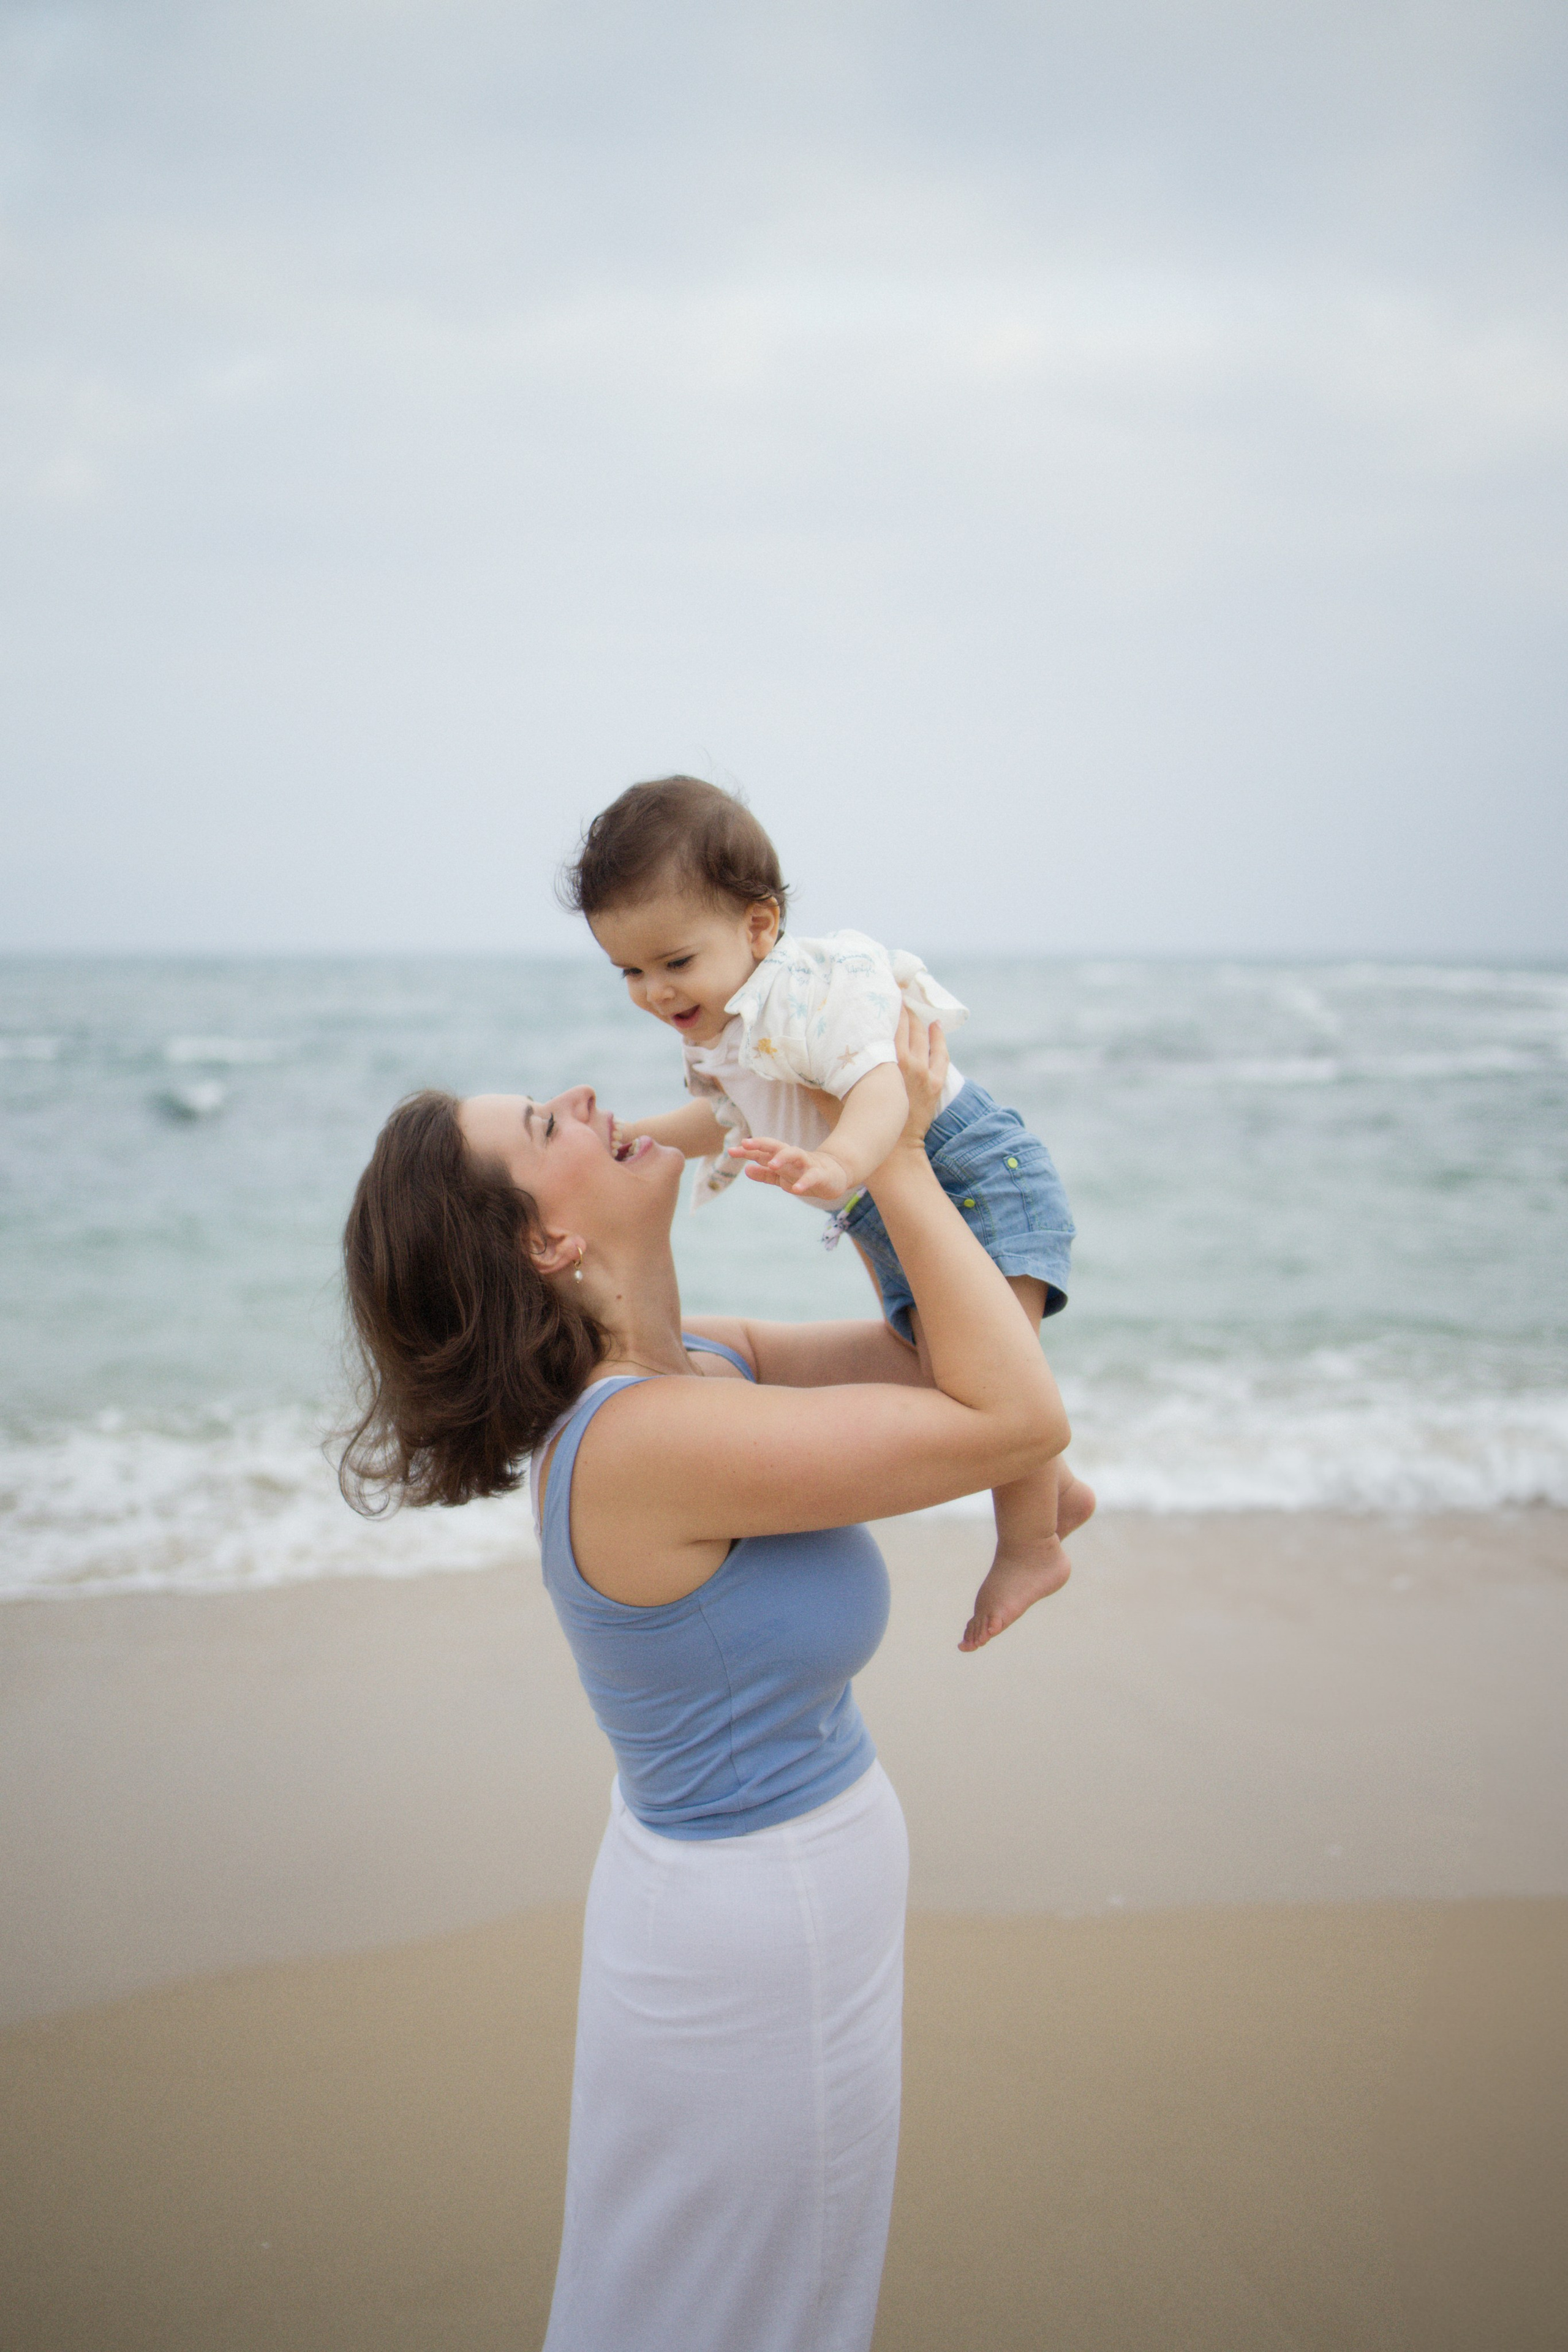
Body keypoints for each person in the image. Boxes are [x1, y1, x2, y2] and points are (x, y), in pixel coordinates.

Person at [339, 1016, 1069, 2352]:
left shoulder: (695, 1372)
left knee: (737, 2294)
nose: (578, 1092)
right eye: (545, 1128)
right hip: (753, 1929)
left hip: (761, 1898)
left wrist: (811, 1121)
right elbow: (1016, 1423)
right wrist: (892, 1163)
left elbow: (944, 1363)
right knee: (738, 2309)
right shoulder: (645, 1442)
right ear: (546, 1247)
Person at [559, 772, 1095, 1649]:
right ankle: (1054, 1486)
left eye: (674, 962)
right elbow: (726, 1118)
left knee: (997, 1368)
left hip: (970, 1174)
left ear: (759, 925)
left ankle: (1031, 1543)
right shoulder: (725, 1025)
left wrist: (842, 1161)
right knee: (950, 1359)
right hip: (891, 1199)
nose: (656, 991)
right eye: (630, 971)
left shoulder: (815, 991)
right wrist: (635, 1137)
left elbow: (883, 1088)